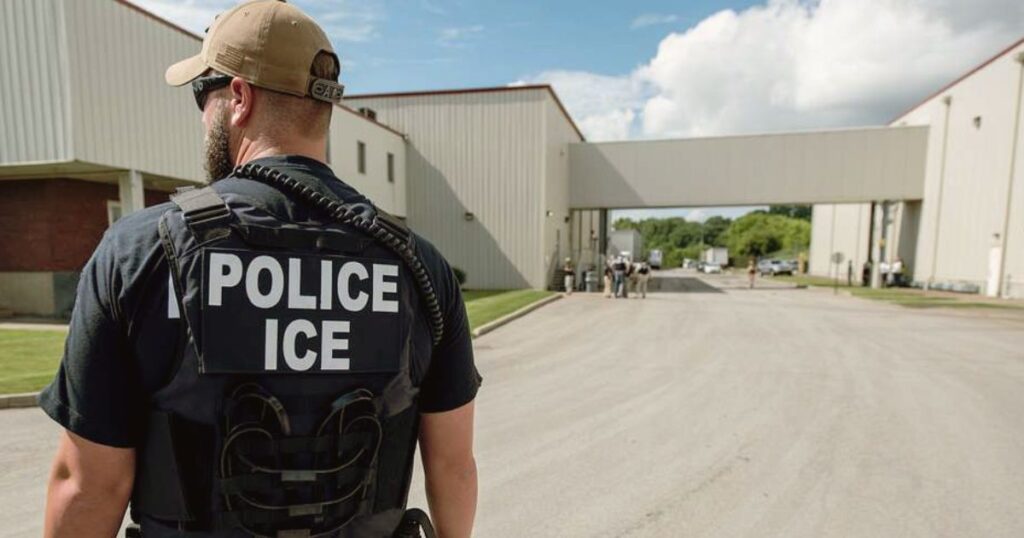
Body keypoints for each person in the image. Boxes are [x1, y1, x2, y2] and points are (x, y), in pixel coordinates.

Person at [39, 2, 479, 537]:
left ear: (239, 98)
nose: (203, 114)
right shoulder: (418, 264)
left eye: (204, 95)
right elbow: (452, 468)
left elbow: (89, 484)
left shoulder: (141, 250)